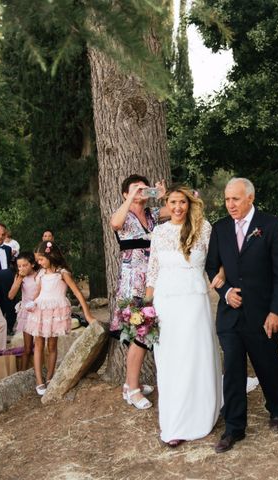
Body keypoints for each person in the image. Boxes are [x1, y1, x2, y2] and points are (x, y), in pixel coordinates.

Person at [205, 177, 278, 453]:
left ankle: (277, 408)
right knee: (232, 369)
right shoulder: (219, 229)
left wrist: (276, 311)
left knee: (267, 363)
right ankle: (234, 428)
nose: (230, 205)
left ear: (250, 198)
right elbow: (212, 268)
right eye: (227, 199)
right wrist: (226, 291)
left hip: (263, 313)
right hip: (230, 315)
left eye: (236, 199)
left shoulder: (271, 226)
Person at [145, 185, 223, 447]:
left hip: (194, 302)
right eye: (172, 202)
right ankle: (174, 422)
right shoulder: (159, 231)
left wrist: (222, 278)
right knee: (170, 361)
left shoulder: (204, 229)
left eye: (182, 202)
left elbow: (217, 262)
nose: (177, 207)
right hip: (165, 303)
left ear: (189, 204)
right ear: (166, 204)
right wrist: (146, 306)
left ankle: (201, 413)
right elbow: (153, 270)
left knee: (194, 356)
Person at [109, 174, 167, 409]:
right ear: (125, 193)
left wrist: (162, 197)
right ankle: (132, 389)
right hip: (133, 281)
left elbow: (176, 212)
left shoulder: (152, 214)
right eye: (135, 188)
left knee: (145, 332)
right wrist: (131, 198)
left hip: (153, 279)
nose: (141, 191)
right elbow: (115, 223)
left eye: (144, 188)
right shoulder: (122, 213)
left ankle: (129, 383)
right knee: (140, 333)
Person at [23, 241, 95, 396]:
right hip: (40, 310)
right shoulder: (41, 274)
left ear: (50, 255)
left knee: (52, 345)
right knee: (39, 344)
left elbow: (77, 293)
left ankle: (49, 377)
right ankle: (39, 381)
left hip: (55, 312)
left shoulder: (63, 273)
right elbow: (38, 292)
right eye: (38, 260)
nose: (39, 263)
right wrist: (31, 302)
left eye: (41, 259)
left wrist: (87, 315)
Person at [8, 252, 39, 371]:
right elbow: (11, 295)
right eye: (19, 266)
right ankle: (22, 373)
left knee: (39, 345)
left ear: (32, 264)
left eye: (24, 265)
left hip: (39, 312)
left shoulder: (39, 275)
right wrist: (19, 279)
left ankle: (38, 372)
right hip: (27, 313)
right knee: (27, 348)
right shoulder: (20, 277)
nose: (21, 268)